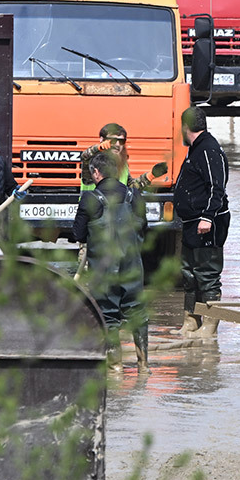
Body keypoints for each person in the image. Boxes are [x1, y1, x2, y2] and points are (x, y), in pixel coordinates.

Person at [72, 151, 149, 370]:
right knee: (138, 314)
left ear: (96, 173)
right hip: (132, 267)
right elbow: (144, 227)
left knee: (108, 315)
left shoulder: (90, 199)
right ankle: (144, 366)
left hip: (103, 269)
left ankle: (115, 368)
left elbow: (77, 234)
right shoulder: (134, 196)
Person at [172, 106, 230, 339]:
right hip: (191, 221)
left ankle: (210, 325)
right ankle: (191, 320)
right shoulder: (196, 148)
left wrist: (207, 216)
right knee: (189, 273)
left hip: (207, 222)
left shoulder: (208, 148)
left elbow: (218, 186)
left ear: (185, 128)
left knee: (207, 274)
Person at [78, 123, 167, 192]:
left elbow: (130, 188)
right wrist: (98, 148)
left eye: (121, 141)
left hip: (115, 211)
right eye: (113, 140)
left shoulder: (122, 164)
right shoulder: (93, 161)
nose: (117, 145)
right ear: (101, 139)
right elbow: (85, 156)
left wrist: (150, 176)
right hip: (92, 210)